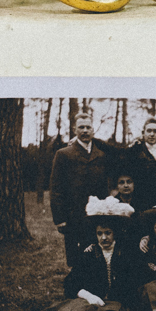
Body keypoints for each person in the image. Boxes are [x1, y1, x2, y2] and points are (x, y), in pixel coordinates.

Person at [26, 197, 139, 311]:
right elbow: (71, 283)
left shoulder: (124, 253)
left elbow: (133, 282)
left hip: (117, 302)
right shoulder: (89, 253)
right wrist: (88, 295)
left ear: (115, 233)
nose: (104, 238)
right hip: (92, 302)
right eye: (99, 233)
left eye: (108, 233)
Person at [49, 112, 109, 268]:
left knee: (98, 256)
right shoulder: (63, 154)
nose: (85, 131)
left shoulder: (101, 154)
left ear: (93, 129)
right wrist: (60, 219)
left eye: (88, 127)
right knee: (76, 260)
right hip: (73, 217)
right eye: (81, 127)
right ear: (74, 130)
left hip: (97, 216)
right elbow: (56, 188)